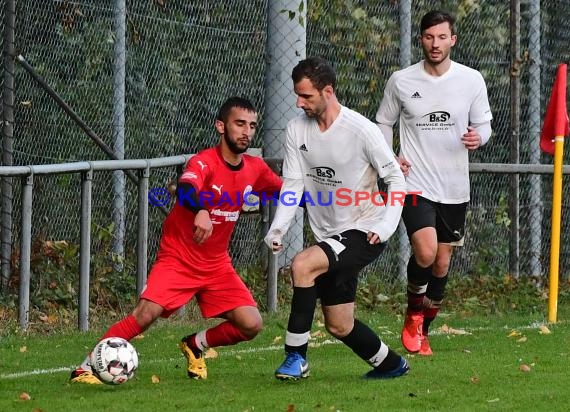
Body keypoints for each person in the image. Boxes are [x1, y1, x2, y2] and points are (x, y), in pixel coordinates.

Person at [70, 96, 282, 384]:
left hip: (216, 263)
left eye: (252, 126)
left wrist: (333, 202)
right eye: (239, 124)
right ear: (221, 126)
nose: (246, 131)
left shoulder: (255, 168)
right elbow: (185, 188)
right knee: (146, 314)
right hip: (179, 256)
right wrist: (202, 210)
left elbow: (287, 193)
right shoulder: (204, 161)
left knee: (251, 324)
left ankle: (196, 345)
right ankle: (86, 367)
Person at [264, 57, 409, 380]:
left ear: (328, 91)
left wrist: (386, 226)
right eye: (297, 96)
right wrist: (278, 227)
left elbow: (397, 180)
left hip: (366, 230)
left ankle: (295, 358)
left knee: (302, 265)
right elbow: (293, 184)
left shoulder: (362, 130)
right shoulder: (296, 129)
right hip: (329, 235)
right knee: (339, 324)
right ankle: (391, 364)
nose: (300, 103)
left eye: (307, 97)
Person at [375, 10, 493, 356]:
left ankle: (423, 328)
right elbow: (383, 122)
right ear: (421, 40)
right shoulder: (401, 80)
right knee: (425, 251)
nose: (435, 44)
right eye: (429, 37)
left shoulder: (471, 80)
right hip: (414, 183)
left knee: (441, 263)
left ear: (453, 39)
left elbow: (484, 124)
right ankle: (413, 313)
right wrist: (390, 156)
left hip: (454, 187)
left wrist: (478, 138)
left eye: (442, 37)